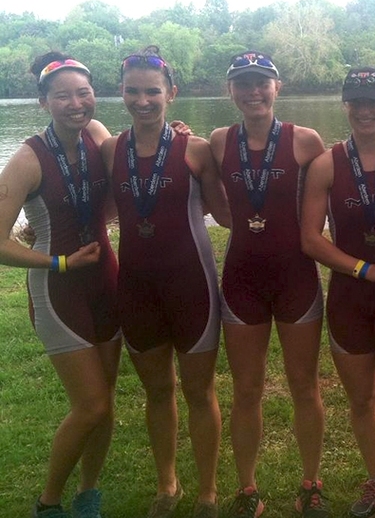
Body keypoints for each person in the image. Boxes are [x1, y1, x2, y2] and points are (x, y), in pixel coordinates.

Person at [100, 46, 231, 518]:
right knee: (157, 392)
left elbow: (226, 215)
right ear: (122, 93)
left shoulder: (194, 150)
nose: (142, 100)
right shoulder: (110, 149)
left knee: (199, 392)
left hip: (190, 287)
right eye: (133, 91)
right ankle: (167, 485)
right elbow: (102, 211)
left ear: (171, 94)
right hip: (137, 291)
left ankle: (208, 493)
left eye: (152, 91)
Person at [209, 51, 328, 518]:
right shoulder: (217, 143)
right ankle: (247, 489)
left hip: (295, 278)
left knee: (304, 385)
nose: (253, 92)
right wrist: (176, 132)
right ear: (230, 90)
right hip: (242, 280)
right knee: (246, 389)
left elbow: (338, 197)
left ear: (278, 87)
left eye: (262, 83)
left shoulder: (306, 141)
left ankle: (311, 484)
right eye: (244, 83)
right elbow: (216, 208)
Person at [0, 53, 118, 518]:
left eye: (83, 92)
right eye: (63, 95)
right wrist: (59, 261)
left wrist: (174, 139)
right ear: (43, 100)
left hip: (106, 281)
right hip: (58, 291)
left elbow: (132, 168)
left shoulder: (97, 133)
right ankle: (48, 503)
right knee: (89, 405)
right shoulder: (28, 158)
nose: (76, 103)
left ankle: (89, 494)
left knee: (105, 404)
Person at [301, 67, 375, 518]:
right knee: (360, 399)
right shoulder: (327, 164)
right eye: (357, 101)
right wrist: (363, 269)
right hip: (350, 297)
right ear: (345, 106)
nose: (366, 110)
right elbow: (310, 238)